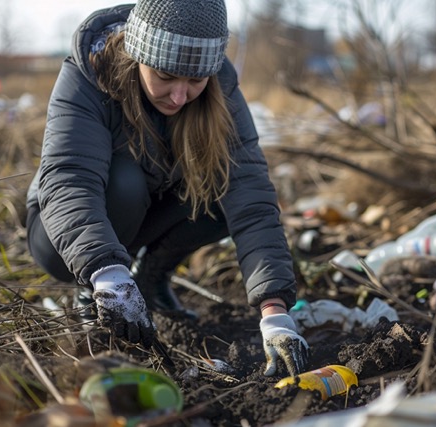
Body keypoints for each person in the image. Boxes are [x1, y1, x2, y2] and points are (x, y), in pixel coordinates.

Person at [25, 0, 308, 377]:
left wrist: (275, 312)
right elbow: (69, 179)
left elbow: (251, 196)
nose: (179, 96)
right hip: (62, 233)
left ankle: (150, 278)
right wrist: (105, 272)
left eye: (195, 81)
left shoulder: (221, 85)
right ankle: (94, 290)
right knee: (124, 182)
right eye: (165, 76)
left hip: (149, 211)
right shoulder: (88, 74)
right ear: (138, 53)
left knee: (222, 189)